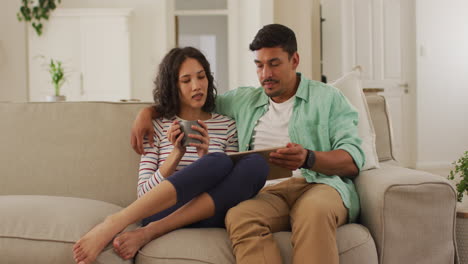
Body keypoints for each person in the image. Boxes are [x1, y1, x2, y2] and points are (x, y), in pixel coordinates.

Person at [131, 24, 365, 264]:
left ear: (294, 60)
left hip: (318, 185)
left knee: (314, 212)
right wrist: (147, 112)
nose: (266, 74)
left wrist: (309, 158)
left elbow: (353, 160)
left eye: (274, 63)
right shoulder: (243, 100)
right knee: (238, 216)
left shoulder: (328, 98)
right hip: (267, 194)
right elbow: (191, 100)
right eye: (259, 65)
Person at [72, 47, 268, 264]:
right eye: (186, 80)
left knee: (255, 164)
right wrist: (175, 155)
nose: (197, 86)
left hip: (210, 212)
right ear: (173, 86)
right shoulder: (156, 126)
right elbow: (143, 194)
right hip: (161, 210)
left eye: (201, 77)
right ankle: (115, 222)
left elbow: (231, 187)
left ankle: (150, 232)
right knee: (219, 160)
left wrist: (205, 155)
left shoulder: (227, 125)